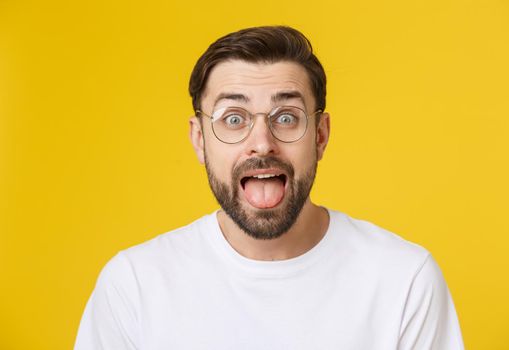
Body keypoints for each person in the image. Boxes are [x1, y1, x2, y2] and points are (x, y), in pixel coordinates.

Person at [74, 26, 464, 349]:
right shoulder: (134, 284)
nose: (262, 142)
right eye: (233, 119)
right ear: (198, 139)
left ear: (321, 135)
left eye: (286, 117)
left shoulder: (405, 279)